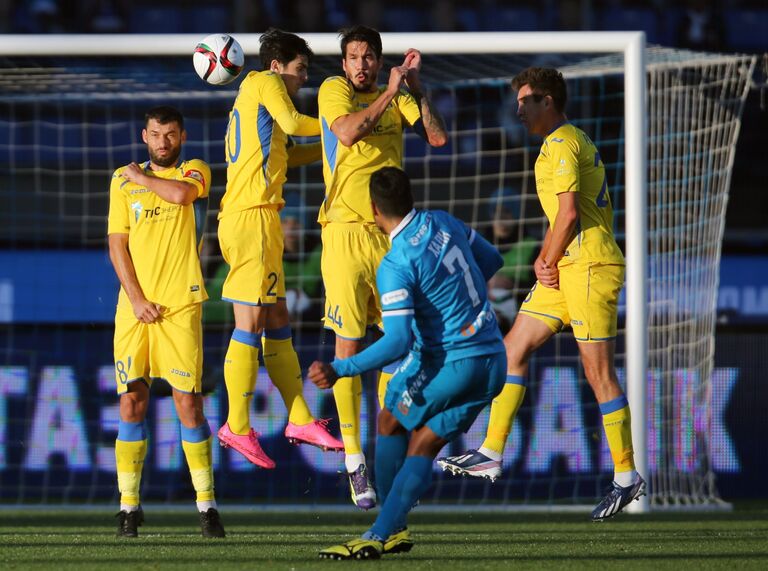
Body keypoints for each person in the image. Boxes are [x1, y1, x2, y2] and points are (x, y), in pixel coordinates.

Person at [437, 67, 646, 521]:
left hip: (589, 265)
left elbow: (570, 215)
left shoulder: (563, 143)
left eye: (525, 101)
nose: (518, 110)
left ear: (548, 101)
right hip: (564, 267)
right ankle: (491, 451)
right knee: (511, 349)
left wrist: (548, 256)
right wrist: (544, 256)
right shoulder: (554, 147)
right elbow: (558, 217)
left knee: (598, 373)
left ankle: (627, 477)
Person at [309, 167, 506, 559]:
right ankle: (390, 530)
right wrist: (451, 302)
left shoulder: (396, 263)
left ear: (373, 209)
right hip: (493, 360)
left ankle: (381, 531)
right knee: (424, 442)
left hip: (451, 363)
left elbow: (397, 339)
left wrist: (340, 368)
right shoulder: (443, 221)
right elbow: (492, 259)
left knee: (388, 420)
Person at [317, 24, 447, 510]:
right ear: (345, 63)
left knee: (399, 346)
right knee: (348, 346)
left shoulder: (399, 95)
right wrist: (391, 91)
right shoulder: (334, 91)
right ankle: (354, 461)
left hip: (391, 234)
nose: (362, 64)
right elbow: (348, 133)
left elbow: (436, 137)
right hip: (345, 232)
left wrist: (418, 91)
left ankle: (387, 456)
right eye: (354, 57)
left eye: (370, 56)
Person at [216, 29, 344, 468]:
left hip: (259, 218)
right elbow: (294, 124)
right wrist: (341, 122)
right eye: (300, 70)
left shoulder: (258, 103)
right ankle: (236, 425)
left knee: (276, 322)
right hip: (250, 216)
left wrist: (338, 146)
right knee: (250, 324)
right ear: (276, 66)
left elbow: (290, 152)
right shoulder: (263, 82)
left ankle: (300, 418)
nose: (304, 80)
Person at [107, 105, 225, 538]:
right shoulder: (120, 184)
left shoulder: (194, 170)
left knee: (187, 404)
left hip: (181, 305)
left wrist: (139, 177)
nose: (163, 142)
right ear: (144, 136)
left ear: (183, 137)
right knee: (130, 402)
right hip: (134, 310)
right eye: (156, 134)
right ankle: (129, 508)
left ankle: (207, 506)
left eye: (170, 134)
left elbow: (180, 196)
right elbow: (117, 244)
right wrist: (136, 299)